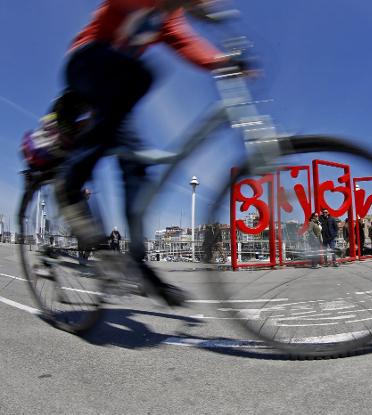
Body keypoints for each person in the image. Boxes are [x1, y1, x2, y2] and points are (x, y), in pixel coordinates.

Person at [54, 0, 244, 306]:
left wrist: (224, 63)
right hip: (87, 60)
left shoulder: (169, 19)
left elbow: (186, 43)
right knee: (140, 75)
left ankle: (139, 264)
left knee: (137, 171)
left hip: (116, 99)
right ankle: (70, 185)